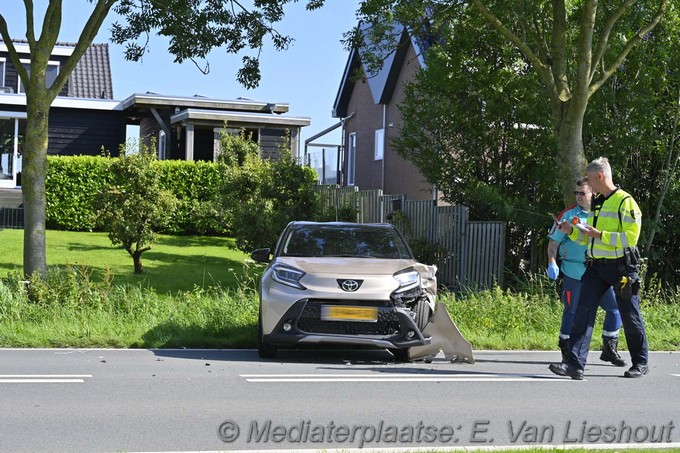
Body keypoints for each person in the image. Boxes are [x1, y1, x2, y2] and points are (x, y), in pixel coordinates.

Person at [549, 157, 649, 379]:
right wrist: (571, 232)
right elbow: (588, 239)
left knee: (629, 314)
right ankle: (574, 365)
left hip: (621, 269)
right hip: (596, 268)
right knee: (582, 313)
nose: (588, 185)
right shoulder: (599, 202)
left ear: (600, 176)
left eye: (590, 180)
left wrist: (600, 234)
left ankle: (640, 363)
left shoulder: (625, 202)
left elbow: (631, 239)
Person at [547, 177, 626, 367]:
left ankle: (609, 347)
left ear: (594, 193)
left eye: (583, 193)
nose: (579, 197)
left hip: (599, 272)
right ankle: (567, 350)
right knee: (572, 312)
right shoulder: (568, 215)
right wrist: (552, 262)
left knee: (616, 309)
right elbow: (553, 242)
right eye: (577, 193)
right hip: (574, 273)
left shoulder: (602, 213)